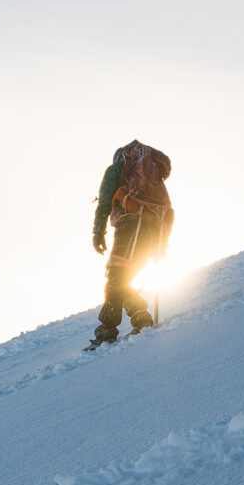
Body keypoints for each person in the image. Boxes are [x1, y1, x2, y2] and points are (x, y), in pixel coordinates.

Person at [89, 141, 173, 348]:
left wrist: (98, 232)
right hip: (153, 235)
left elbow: (105, 201)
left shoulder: (116, 170)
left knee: (115, 278)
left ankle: (108, 331)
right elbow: (168, 212)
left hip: (130, 229)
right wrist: (161, 246)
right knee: (121, 279)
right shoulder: (156, 182)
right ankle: (139, 316)